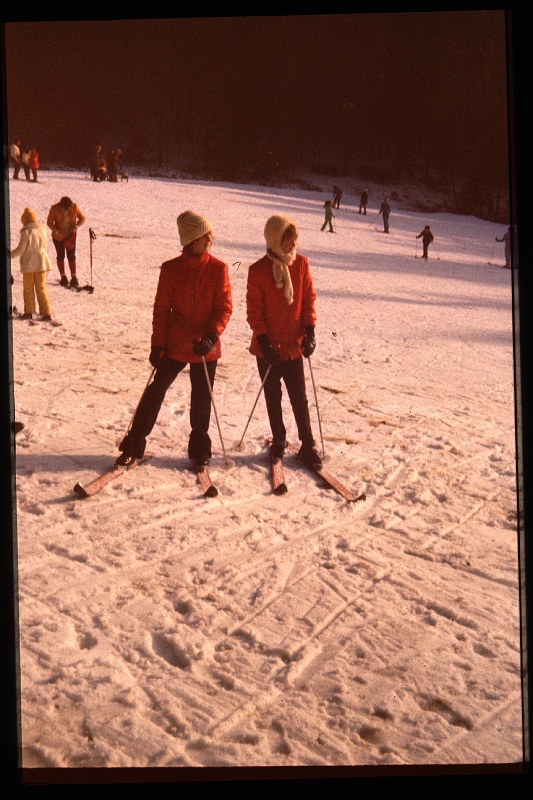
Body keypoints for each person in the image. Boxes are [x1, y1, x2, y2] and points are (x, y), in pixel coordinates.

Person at [115, 210, 232, 469]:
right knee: (156, 390)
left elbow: (224, 308)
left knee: (202, 397)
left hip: (205, 345)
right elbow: (161, 309)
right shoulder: (170, 269)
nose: (211, 238)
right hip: (175, 343)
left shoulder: (218, 269)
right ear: (192, 239)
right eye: (205, 234)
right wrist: (158, 343)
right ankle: (134, 444)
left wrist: (211, 337)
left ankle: (200, 450)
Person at [246, 213, 322, 469]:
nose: (293, 245)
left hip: (293, 344)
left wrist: (310, 330)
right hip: (268, 348)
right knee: (273, 396)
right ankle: (278, 439)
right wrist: (264, 343)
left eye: (294, 239)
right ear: (275, 240)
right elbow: (254, 311)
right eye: (287, 241)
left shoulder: (300, 264)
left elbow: (308, 298)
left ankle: (308, 443)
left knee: (299, 397)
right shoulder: (257, 271)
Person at [7, 207, 53, 320]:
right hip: (42, 262)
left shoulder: (26, 232)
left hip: (29, 264)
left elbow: (21, 249)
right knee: (41, 287)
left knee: (28, 288)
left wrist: (10, 255)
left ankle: (29, 312)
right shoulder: (41, 230)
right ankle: (46, 312)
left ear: (24, 220)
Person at [46, 196, 86, 287]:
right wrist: (56, 230)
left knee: (71, 256)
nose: (68, 209)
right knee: (61, 256)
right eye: (66, 207)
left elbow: (82, 218)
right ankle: (63, 276)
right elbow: (49, 222)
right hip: (58, 237)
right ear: (62, 206)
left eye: (69, 207)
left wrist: (76, 226)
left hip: (70, 236)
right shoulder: (55, 208)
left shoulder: (74, 207)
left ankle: (74, 277)